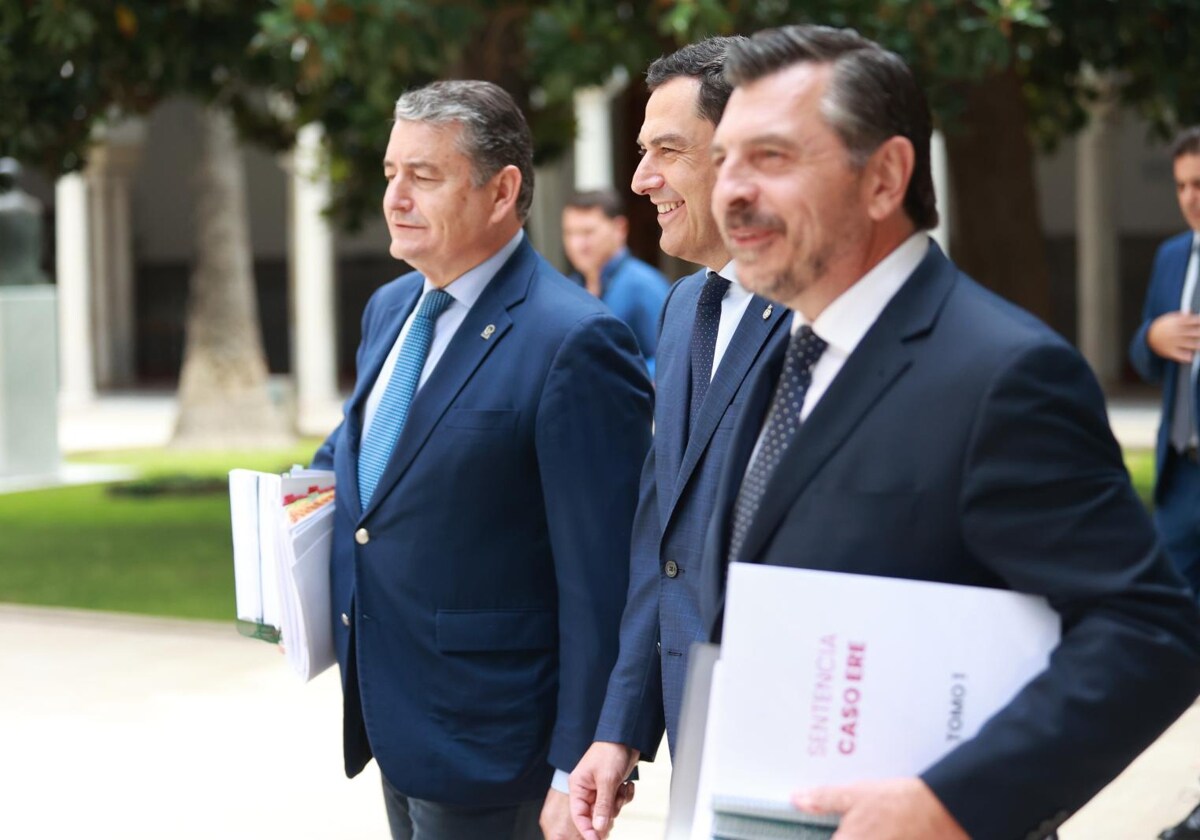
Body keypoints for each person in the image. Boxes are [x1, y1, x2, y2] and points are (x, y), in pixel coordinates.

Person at [697, 25, 1200, 840]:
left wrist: (953, 802)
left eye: (772, 157)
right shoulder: (782, 352)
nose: (730, 191)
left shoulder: (1004, 373)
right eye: (723, 159)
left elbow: (1148, 633)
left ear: (885, 176)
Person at [310, 80, 653, 840]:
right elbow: (362, 459)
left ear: (501, 192)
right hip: (394, 720)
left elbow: (602, 576)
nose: (395, 197)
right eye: (391, 172)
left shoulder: (577, 342)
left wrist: (580, 762)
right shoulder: (389, 308)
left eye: (423, 176)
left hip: (502, 751)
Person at [569, 36, 792, 838]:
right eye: (640, 151)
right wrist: (620, 726)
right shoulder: (680, 308)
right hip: (696, 729)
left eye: (667, 150)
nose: (640, 180)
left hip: (794, 749)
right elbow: (662, 542)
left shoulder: (825, 318)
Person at [1129, 126, 1200, 840]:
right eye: (1181, 185)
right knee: (1168, 636)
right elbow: (1140, 353)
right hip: (1181, 483)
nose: (1190, 200)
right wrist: (1150, 338)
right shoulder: (1172, 255)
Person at [562, 189, 669, 374]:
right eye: (570, 233)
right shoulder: (568, 287)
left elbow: (671, 360)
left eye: (588, 232)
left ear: (620, 229)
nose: (577, 244)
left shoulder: (645, 285)